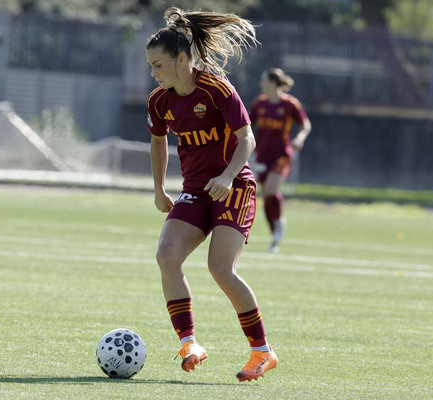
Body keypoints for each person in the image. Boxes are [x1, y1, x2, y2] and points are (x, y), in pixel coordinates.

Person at [146, 7, 277, 382]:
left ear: (181, 59)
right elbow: (158, 143)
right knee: (166, 256)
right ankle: (189, 344)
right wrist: (159, 189)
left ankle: (262, 351)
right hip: (195, 190)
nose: (153, 73)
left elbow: (247, 139)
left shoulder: (217, 89)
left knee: (221, 269)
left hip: (235, 186)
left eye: (158, 65)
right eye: (150, 66)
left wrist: (228, 176)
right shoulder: (159, 101)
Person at [249, 68, 311, 253]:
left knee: (270, 189)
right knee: (267, 197)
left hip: (282, 155)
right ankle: (276, 230)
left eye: (264, 80)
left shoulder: (290, 104)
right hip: (262, 155)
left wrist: (300, 138)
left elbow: (305, 124)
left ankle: (279, 222)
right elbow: (246, 124)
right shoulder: (260, 103)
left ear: (273, 83)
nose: (261, 83)